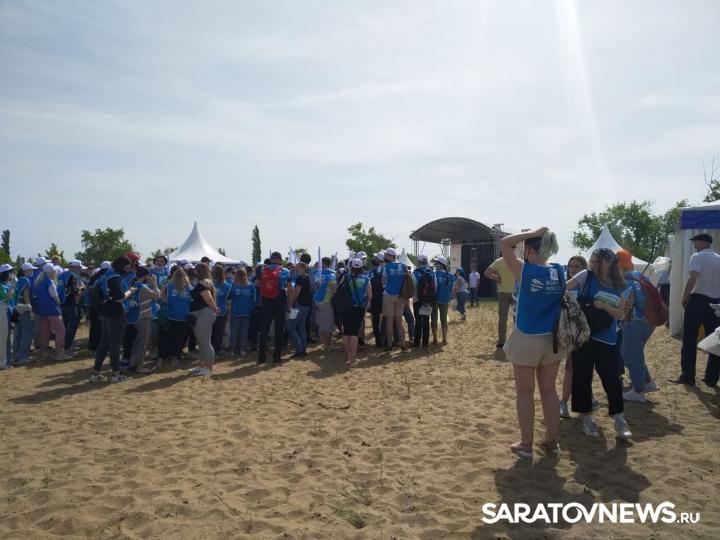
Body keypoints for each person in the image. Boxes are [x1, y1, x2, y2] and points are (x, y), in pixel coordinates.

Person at [501, 228, 565, 459]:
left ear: (528, 249)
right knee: (549, 391)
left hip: (527, 336)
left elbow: (505, 243)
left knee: (525, 392)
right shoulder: (559, 271)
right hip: (553, 338)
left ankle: (526, 445)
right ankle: (552, 442)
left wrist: (534, 231)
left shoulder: (525, 270)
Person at [566, 248, 632, 440]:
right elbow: (564, 288)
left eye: (598, 262)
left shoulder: (621, 285)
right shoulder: (586, 275)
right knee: (582, 378)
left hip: (607, 338)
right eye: (592, 261)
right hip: (584, 336)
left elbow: (620, 314)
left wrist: (603, 305)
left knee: (612, 379)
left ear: (610, 263)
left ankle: (619, 419)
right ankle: (587, 419)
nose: (593, 265)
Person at [670, 233, 720, 387]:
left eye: (695, 241)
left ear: (701, 242)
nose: (694, 244)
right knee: (715, 341)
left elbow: (693, 278)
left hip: (698, 300)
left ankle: (688, 376)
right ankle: (711, 377)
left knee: (689, 340)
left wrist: (684, 297)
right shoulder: (718, 258)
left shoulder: (697, 257)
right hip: (716, 301)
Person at [616, 250, 660, 402]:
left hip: (634, 321)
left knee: (631, 354)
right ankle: (647, 382)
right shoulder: (641, 276)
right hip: (650, 321)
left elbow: (625, 307)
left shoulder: (624, 281)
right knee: (631, 353)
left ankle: (638, 390)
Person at [559, 256, 599, 418]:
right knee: (569, 368)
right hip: (570, 332)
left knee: (584, 368)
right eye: (570, 266)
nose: (573, 269)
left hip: (586, 331)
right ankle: (563, 402)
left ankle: (588, 397)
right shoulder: (565, 286)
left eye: (577, 266)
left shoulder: (588, 286)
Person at [90, 256, 136, 382]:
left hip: (104, 311)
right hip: (115, 313)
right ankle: (116, 374)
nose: (128, 270)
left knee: (104, 343)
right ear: (121, 266)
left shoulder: (106, 274)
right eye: (126, 267)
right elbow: (119, 297)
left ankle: (95, 372)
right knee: (115, 345)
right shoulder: (115, 277)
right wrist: (130, 291)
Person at [257, 251, 291, 364]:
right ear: (280, 260)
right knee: (279, 330)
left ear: (270, 260)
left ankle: (262, 356)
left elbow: (257, 284)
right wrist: (289, 303)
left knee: (264, 329)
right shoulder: (286, 271)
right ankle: (277, 356)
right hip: (280, 301)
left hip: (266, 301)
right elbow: (289, 289)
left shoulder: (262, 270)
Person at [35, 263, 72, 361]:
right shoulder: (50, 282)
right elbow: (55, 297)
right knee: (61, 330)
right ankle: (59, 353)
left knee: (45, 332)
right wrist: (59, 303)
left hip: (42, 310)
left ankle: (44, 354)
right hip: (52, 310)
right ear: (51, 272)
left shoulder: (39, 282)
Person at [126, 267, 160, 374]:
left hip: (133, 317)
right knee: (143, 342)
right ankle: (139, 366)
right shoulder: (142, 287)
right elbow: (157, 296)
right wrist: (154, 284)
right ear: (146, 276)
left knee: (137, 341)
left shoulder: (133, 285)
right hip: (142, 317)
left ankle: (133, 363)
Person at [187, 263, 218, 376]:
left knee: (205, 343)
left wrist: (214, 308)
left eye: (195, 270)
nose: (194, 271)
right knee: (202, 342)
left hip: (204, 314)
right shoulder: (205, 281)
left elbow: (208, 298)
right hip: (200, 315)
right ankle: (201, 366)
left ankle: (208, 369)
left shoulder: (203, 282)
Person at [485, 250, 519, 353]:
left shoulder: (499, 261)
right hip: (515, 293)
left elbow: (486, 273)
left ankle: (501, 341)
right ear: (513, 250)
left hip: (503, 292)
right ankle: (518, 340)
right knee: (517, 318)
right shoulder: (517, 261)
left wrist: (497, 278)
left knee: (502, 318)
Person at [339, 259, 372, 365]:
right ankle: (353, 358)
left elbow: (337, 290)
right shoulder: (366, 279)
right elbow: (369, 296)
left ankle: (347, 356)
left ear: (351, 267)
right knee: (354, 333)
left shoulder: (345, 277)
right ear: (362, 267)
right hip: (359, 308)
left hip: (346, 307)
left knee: (346, 332)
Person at [160, 266, 192, 367]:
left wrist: (169, 302)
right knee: (179, 339)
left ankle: (165, 357)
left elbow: (162, 298)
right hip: (183, 317)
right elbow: (193, 299)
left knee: (168, 337)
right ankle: (175, 357)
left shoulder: (168, 285)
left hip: (171, 315)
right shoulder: (188, 287)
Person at [381, 248, 410, 353]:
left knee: (389, 322)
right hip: (400, 296)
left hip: (388, 295)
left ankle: (389, 346)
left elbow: (383, 281)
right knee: (399, 322)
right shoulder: (403, 266)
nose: (385, 257)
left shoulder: (386, 267)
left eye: (386, 255)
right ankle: (403, 345)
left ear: (391, 256)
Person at [58, 259, 86, 354]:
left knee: (64, 326)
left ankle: (62, 346)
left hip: (62, 303)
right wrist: (82, 288)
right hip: (71, 303)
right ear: (73, 267)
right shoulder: (72, 275)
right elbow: (75, 291)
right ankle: (67, 347)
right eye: (78, 267)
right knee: (73, 326)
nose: (80, 269)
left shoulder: (61, 274)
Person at [228, 268, 255, 356]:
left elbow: (229, 298)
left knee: (234, 331)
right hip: (247, 311)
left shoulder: (232, 285)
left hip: (235, 311)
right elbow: (254, 298)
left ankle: (232, 350)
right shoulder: (250, 286)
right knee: (244, 331)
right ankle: (242, 349)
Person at [12, 262, 35, 364]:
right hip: (23, 308)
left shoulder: (17, 280)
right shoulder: (25, 280)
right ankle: (22, 356)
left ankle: (16, 355)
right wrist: (30, 308)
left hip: (16, 309)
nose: (32, 271)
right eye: (30, 270)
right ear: (25, 271)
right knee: (28, 332)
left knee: (18, 333)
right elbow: (26, 296)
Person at [287, 261, 311, 358]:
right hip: (307, 306)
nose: (295, 268)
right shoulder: (308, 277)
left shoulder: (300, 278)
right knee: (301, 328)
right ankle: (303, 349)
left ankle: (299, 349)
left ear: (301, 267)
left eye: (297, 267)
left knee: (291, 327)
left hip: (299, 306)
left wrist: (290, 303)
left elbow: (297, 293)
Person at [314, 256, 337, 350]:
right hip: (327, 301)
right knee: (328, 325)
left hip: (316, 301)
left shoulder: (317, 273)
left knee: (321, 324)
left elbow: (314, 286)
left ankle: (324, 344)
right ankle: (328, 345)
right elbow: (334, 289)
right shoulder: (332, 274)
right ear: (330, 264)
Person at [412, 255, 435, 348]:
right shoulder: (432, 272)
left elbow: (413, 287)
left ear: (419, 262)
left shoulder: (415, 273)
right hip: (428, 300)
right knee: (426, 321)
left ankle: (417, 342)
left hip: (417, 300)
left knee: (418, 321)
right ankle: (425, 343)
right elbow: (435, 286)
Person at [431, 256, 455, 345]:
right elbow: (452, 290)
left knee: (434, 319)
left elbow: (434, 288)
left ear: (441, 265)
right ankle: (444, 339)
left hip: (435, 299)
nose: (435, 265)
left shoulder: (434, 274)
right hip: (445, 300)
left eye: (436, 263)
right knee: (444, 319)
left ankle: (435, 339)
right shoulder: (451, 276)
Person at [211, 264, 232, 357]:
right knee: (219, 332)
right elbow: (229, 301)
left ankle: (210, 350)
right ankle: (217, 350)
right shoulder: (228, 286)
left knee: (211, 331)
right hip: (222, 311)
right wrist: (228, 314)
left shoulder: (209, 284)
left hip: (210, 310)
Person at [368, 252, 385, 347]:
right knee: (385, 319)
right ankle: (384, 339)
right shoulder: (386, 269)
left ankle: (378, 340)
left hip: (374, 298)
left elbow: (368, 284)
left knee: (376, 320)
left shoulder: (372, 271)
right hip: (385, 297)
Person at [0, 264, 14, 369]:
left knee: (6, 337)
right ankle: (2, 363)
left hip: (6, 310)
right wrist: (12, 286)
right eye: (10, 272)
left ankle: (5, 361)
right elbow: (7, 297)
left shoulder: (6, 283)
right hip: (2, 310)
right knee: (3, 337)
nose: (12, 273)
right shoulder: (1, 285)